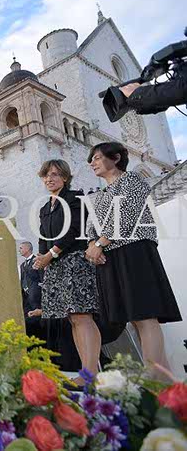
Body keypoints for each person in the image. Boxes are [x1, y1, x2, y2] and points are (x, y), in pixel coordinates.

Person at [85, 142, 182, 380]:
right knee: (135, 319)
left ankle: (151, 378)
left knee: (145, 315)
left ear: (116, 158)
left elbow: (128, 215)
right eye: (91, 159)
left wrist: (100, 244)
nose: (92, 163)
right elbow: (91, 226)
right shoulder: (101, 194)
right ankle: (166, 384)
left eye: (97, 157)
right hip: (111, 257)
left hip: (134, 252)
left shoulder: (132, 180)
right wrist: (92, 245)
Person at [33, 159, 102, 381]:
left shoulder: (74, 198)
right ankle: (86, 373)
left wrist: (50, 254)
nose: (49, 179)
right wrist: (41, 257)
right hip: (55, 266)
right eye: (46, 175)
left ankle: (91, 373)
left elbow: (74, 229)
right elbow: (43, 236)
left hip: (75, 262)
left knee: (82, 316)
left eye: (54, 174)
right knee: (72, 319)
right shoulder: (45, 208)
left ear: (65, 177)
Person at [19, 241, 44, 340]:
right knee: (28, 320)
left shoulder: (36, 261)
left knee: (37, 320)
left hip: (36, 297)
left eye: (21, 248)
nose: (19, 250)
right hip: (27, 298)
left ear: (27, 249)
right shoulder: (22, 265)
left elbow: (41, 277)